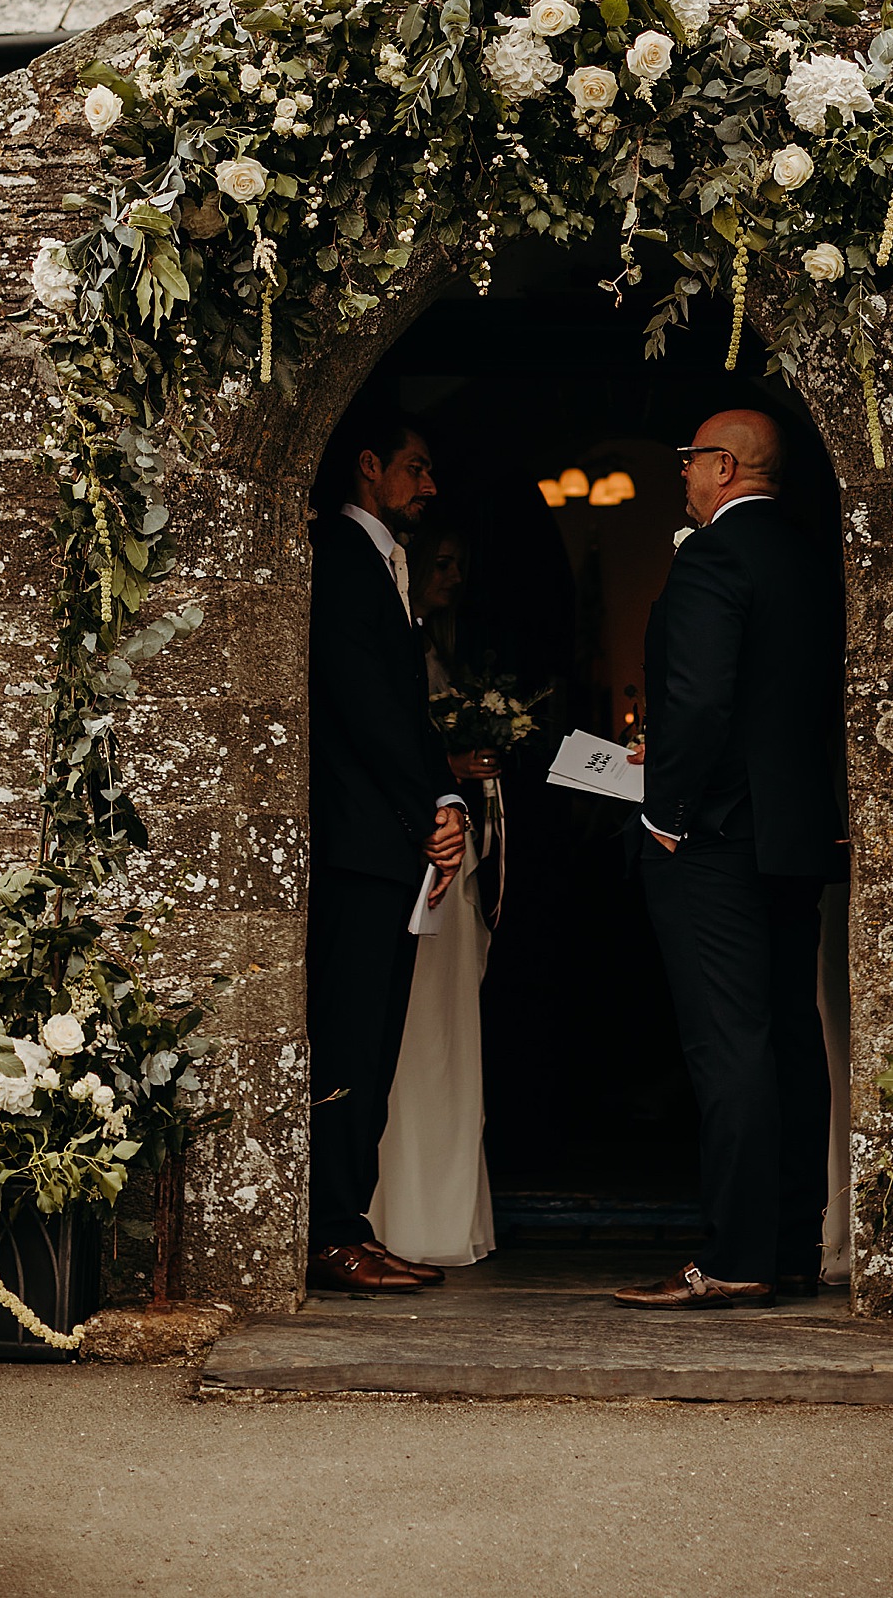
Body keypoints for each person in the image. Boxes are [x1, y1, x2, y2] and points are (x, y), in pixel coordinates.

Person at [616, 408, 845, 1311]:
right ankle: (790, 1246)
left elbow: (701, 695)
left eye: (686, 459)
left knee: (728, 1044)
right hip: (790, 835)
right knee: (790, 1034)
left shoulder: (712, 556)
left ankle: (739, 1254)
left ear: (722, 464)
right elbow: (765, 703)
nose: (681, 475)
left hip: (714, 839)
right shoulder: (806, 552)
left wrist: (666, 806)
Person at [306, 408, 466, 1295]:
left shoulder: (384, 563)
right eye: (417, 466)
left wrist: (435, 800)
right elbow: (368, 702)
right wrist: (433, 801)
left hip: (384, 839)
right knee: (349, 1043)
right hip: (360, 843)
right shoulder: (343, 555)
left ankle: (348, 1220)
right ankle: (329, 1231)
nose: (429, 485)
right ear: (369, 466)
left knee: (373, 1049)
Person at [370, 526, 497, 1267]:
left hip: (448, 833)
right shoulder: (405, 646)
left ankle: (440, 1202)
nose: (452, 576)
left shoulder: (444, 650)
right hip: (420, 843)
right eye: (440, 562)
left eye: (460, 565)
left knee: (447, 1026)